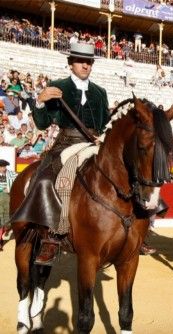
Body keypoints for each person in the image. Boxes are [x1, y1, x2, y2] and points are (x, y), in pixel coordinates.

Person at [10, 43, 110, 265]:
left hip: (94, 144)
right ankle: (48, 235)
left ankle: (131, 231)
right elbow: (43, 123)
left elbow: (104, 124)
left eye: (89, 61)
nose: (86, 65)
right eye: (80, 61)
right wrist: (40, 101)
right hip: (65, 143)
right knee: (45, 179)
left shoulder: (100, 92)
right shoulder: (58, 86)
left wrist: (104, 136)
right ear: (70, 63)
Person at [0, 159, 17, 250]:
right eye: (1, 167)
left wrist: (9, 189)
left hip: (7, 199)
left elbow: (19, 181)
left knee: (7, 218)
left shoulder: (12, 174)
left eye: (4, 166)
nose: (3, 168)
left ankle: (6, 229)